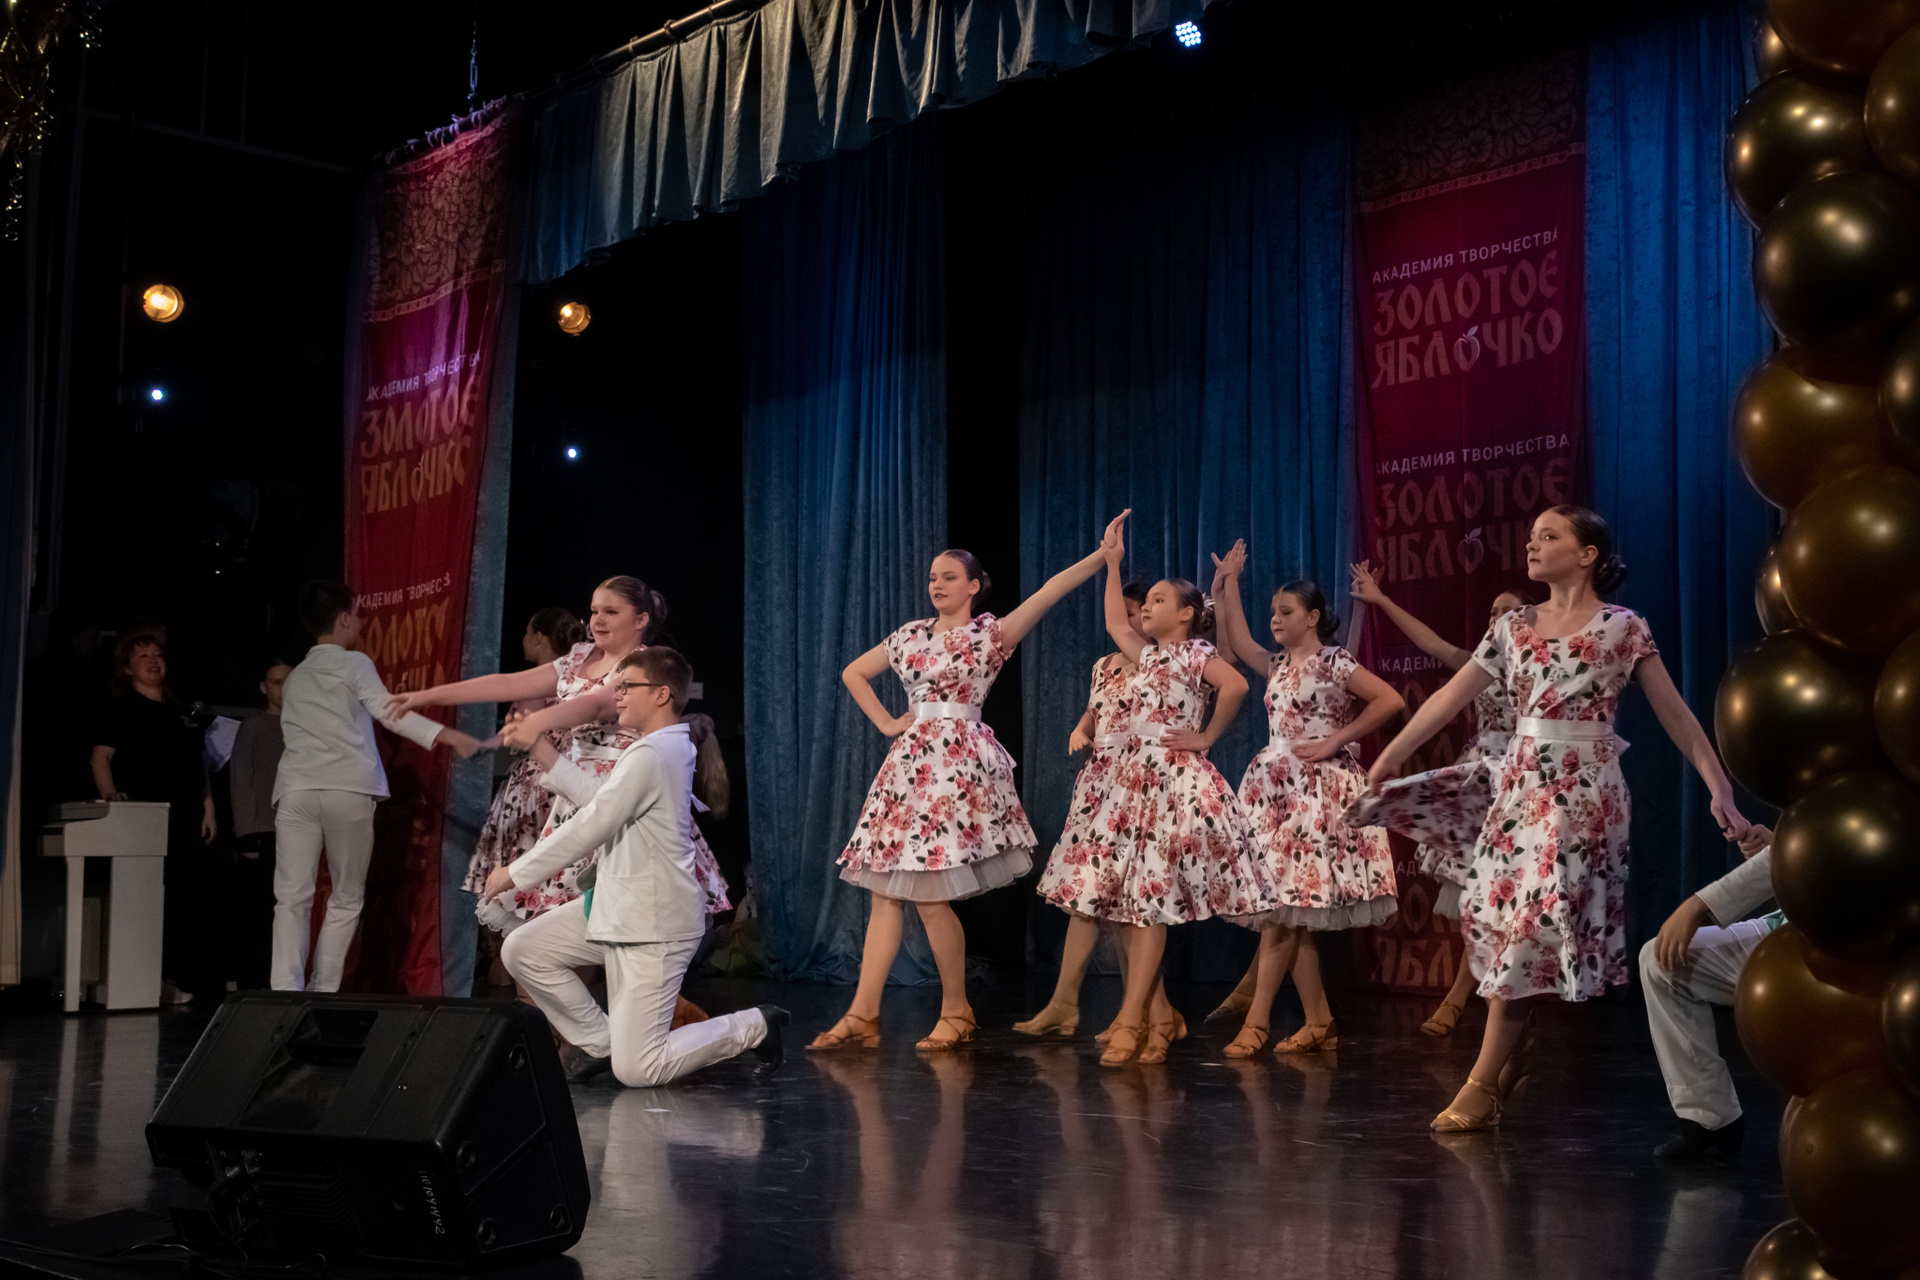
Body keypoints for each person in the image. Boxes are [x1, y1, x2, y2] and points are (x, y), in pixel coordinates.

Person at [1368, 505, 1749, 1131]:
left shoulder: (1622, 627)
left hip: (1583, 799)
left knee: (1528, 929)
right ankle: (1512, 1049)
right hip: (1519, 790)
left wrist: (1719, 789)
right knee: (1505, 926)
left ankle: (1480, 1084)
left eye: (1549, 536)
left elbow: (1676, 715)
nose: (1532, 545)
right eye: (1530, 537)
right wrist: (1392, 754)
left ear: (1587, 553)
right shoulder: (1512, 628)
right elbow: (1449, 697)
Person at [809, 513, 1129, 1053]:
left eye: (950, 577)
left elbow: (1048, 592)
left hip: (956, 768)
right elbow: (853, 673)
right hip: (910, 768)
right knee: (886, 893)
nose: (937, 584)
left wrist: (1103, 557)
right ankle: (864, 1013)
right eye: (933, 577)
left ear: (974, 586)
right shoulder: (909, 635)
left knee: (931, 895)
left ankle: (956, 1009)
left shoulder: (989, 634)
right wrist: (887, 722)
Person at [487, 647, 787, 1086]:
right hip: (618, 909)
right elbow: (599, 801)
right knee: (524, 950)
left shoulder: (654, 754)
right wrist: (540, 749)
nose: (618, 695)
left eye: (627, 687)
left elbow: (591, 824)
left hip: (652, 924)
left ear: (662, 694)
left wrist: (514, 874)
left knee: (641, 1070)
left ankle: (755, 1025)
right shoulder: (656, 750)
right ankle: (602, 1044)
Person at [1034, 529, 1264, 1067]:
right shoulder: (1149, 656)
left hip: (1169, 782)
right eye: (1148, 600)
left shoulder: (1193, 653)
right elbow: (1117, 624)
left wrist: (1205, 737)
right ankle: (1144, 1020)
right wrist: (1112, 563)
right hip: (1127, 784)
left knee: (1152, 903)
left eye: (1159, 601)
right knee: (1131, 904)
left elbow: (1236, 686)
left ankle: (1135, 1019)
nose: (1147, 608)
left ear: (1185, 614)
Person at [395, 579, 731, 932]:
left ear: (640, 620)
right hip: (570, 790)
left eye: (611, 612)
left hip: (616, 791)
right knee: (550, 929)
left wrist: (537, 723)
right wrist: (425, 697)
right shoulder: (579, 657)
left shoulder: (642, 666)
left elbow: (596, 704)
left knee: (613, 917)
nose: (598, 619)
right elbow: (508, 683)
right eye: (595, 611)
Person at [1210, 546, 1405, 1057]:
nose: (1276, 619)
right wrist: (1229, 582)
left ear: (1313, 617)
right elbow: (1239, 643)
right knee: (1289, 907)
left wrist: (1337, 738)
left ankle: (1257, 1021)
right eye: (1274, 612)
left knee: (1286, 906)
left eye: (1286, 611)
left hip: (1317, 791)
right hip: (1275, 788)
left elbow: (1390, 699)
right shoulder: (1277, 664)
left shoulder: (1333, 661)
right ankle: (1319, 1020)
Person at [1347, 560, 1530, 1037]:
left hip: (1522, 780)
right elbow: (1430, 642)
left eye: (1509, 612)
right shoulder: (1482, 661)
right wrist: (1380, 600)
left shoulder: (1539, 664)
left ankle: (1467, 1000)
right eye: (1493, 612)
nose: (1497, 618)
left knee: (1507, 898)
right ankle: (1470, 999)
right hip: (1479, 783)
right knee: (1479, 895)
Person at [271, 582, 481, 992]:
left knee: (291, 896)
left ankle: (284, 988)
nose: (361, 623)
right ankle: (323, 989)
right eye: (357, 615)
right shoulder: (355, 664)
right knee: (346, 896)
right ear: (344, 619)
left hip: (296, 789)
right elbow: (389, 712)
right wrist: (448, 736)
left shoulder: (295, 678)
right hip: (346, 787)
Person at [1013, 580, 1149, 1041]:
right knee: (1086, 894)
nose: (1127, 619)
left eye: (1134, 611)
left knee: (1129, 902)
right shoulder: (1104, 665)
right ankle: (1064, 1003)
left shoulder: (1157, 663)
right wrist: (1080, 728)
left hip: (1139, 785)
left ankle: (1145, 1013)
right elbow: (1095, 711)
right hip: (1099, 784)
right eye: (1123, 611)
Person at [91, 630, 218, 1003]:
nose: (152, 660)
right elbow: (100, 757)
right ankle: (141, 978)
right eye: (142, 656)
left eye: (157, 654)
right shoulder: (122, 708)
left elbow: (199, 763)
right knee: (146, 897)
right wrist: (110, 796)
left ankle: (168, 977)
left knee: (180, 897)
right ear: (128, 668)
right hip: (143, 816)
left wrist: (209, 807)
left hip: (185, 814)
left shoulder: (182, 712)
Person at [462, 607, 585, 984]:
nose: (523, 640)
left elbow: (515, 737)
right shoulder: (578, 679)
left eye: (527, 633)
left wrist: (475, 744)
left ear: (539, 638)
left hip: (531, 793)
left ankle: (517, 995)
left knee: (519, 900)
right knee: (559, 901)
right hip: (562, 788)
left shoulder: (537, 685)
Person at [1641, 823, 1776, 1159]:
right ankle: (1710, 1115)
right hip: (1786, 928)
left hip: (1849, 947)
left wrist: (1699, 905)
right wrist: (1781, 851)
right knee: (1660, 960)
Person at [229, 660, 292, 990]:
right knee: (257, 909)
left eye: (289, 681)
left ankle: (280, 978)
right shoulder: (253, 726)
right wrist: (247, 833)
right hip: (262, 831)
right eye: (277, 682)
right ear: (264, 687)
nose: (284, 688)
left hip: (295, 829)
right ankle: (251, 980)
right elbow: (241, 780)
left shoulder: (303, 723)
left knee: (287, 907)